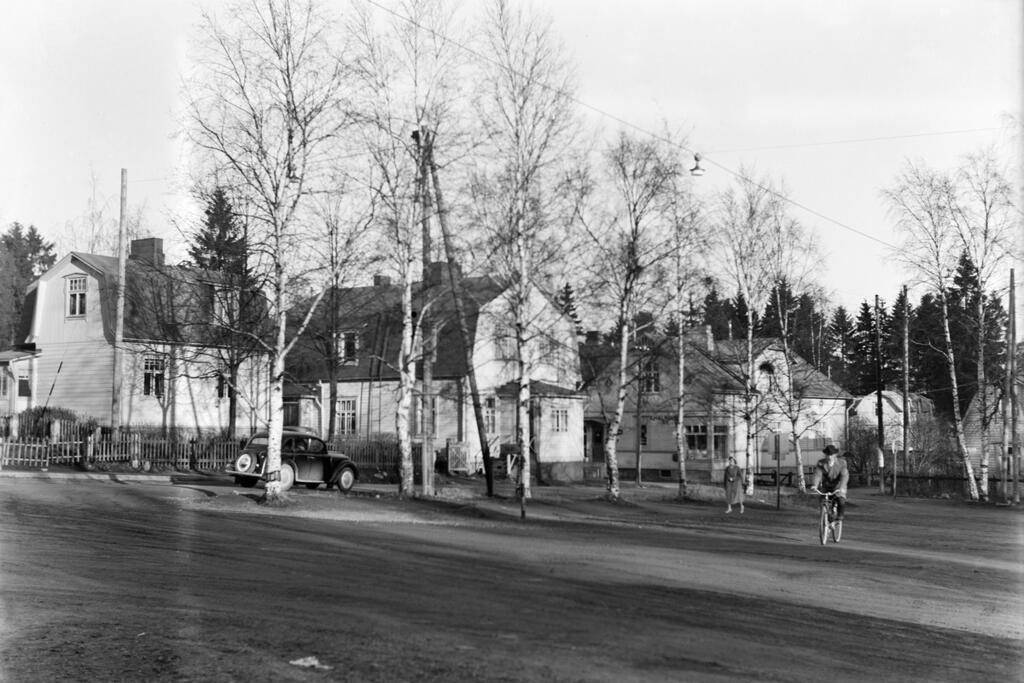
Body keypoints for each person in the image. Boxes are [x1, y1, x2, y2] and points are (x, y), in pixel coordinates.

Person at [811, 444, 849, 527]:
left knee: (840, 500)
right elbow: (817, 474)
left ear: (835, 455)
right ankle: (826, 517)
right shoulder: (821, 463)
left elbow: (844, 476)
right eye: (827, 454)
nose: (829, 456)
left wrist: (842, 487)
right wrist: (815, 485)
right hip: (826, 486)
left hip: (838, 486)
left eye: (831, 454)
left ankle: (839, 518)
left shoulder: (842, 463)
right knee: (823, 501)